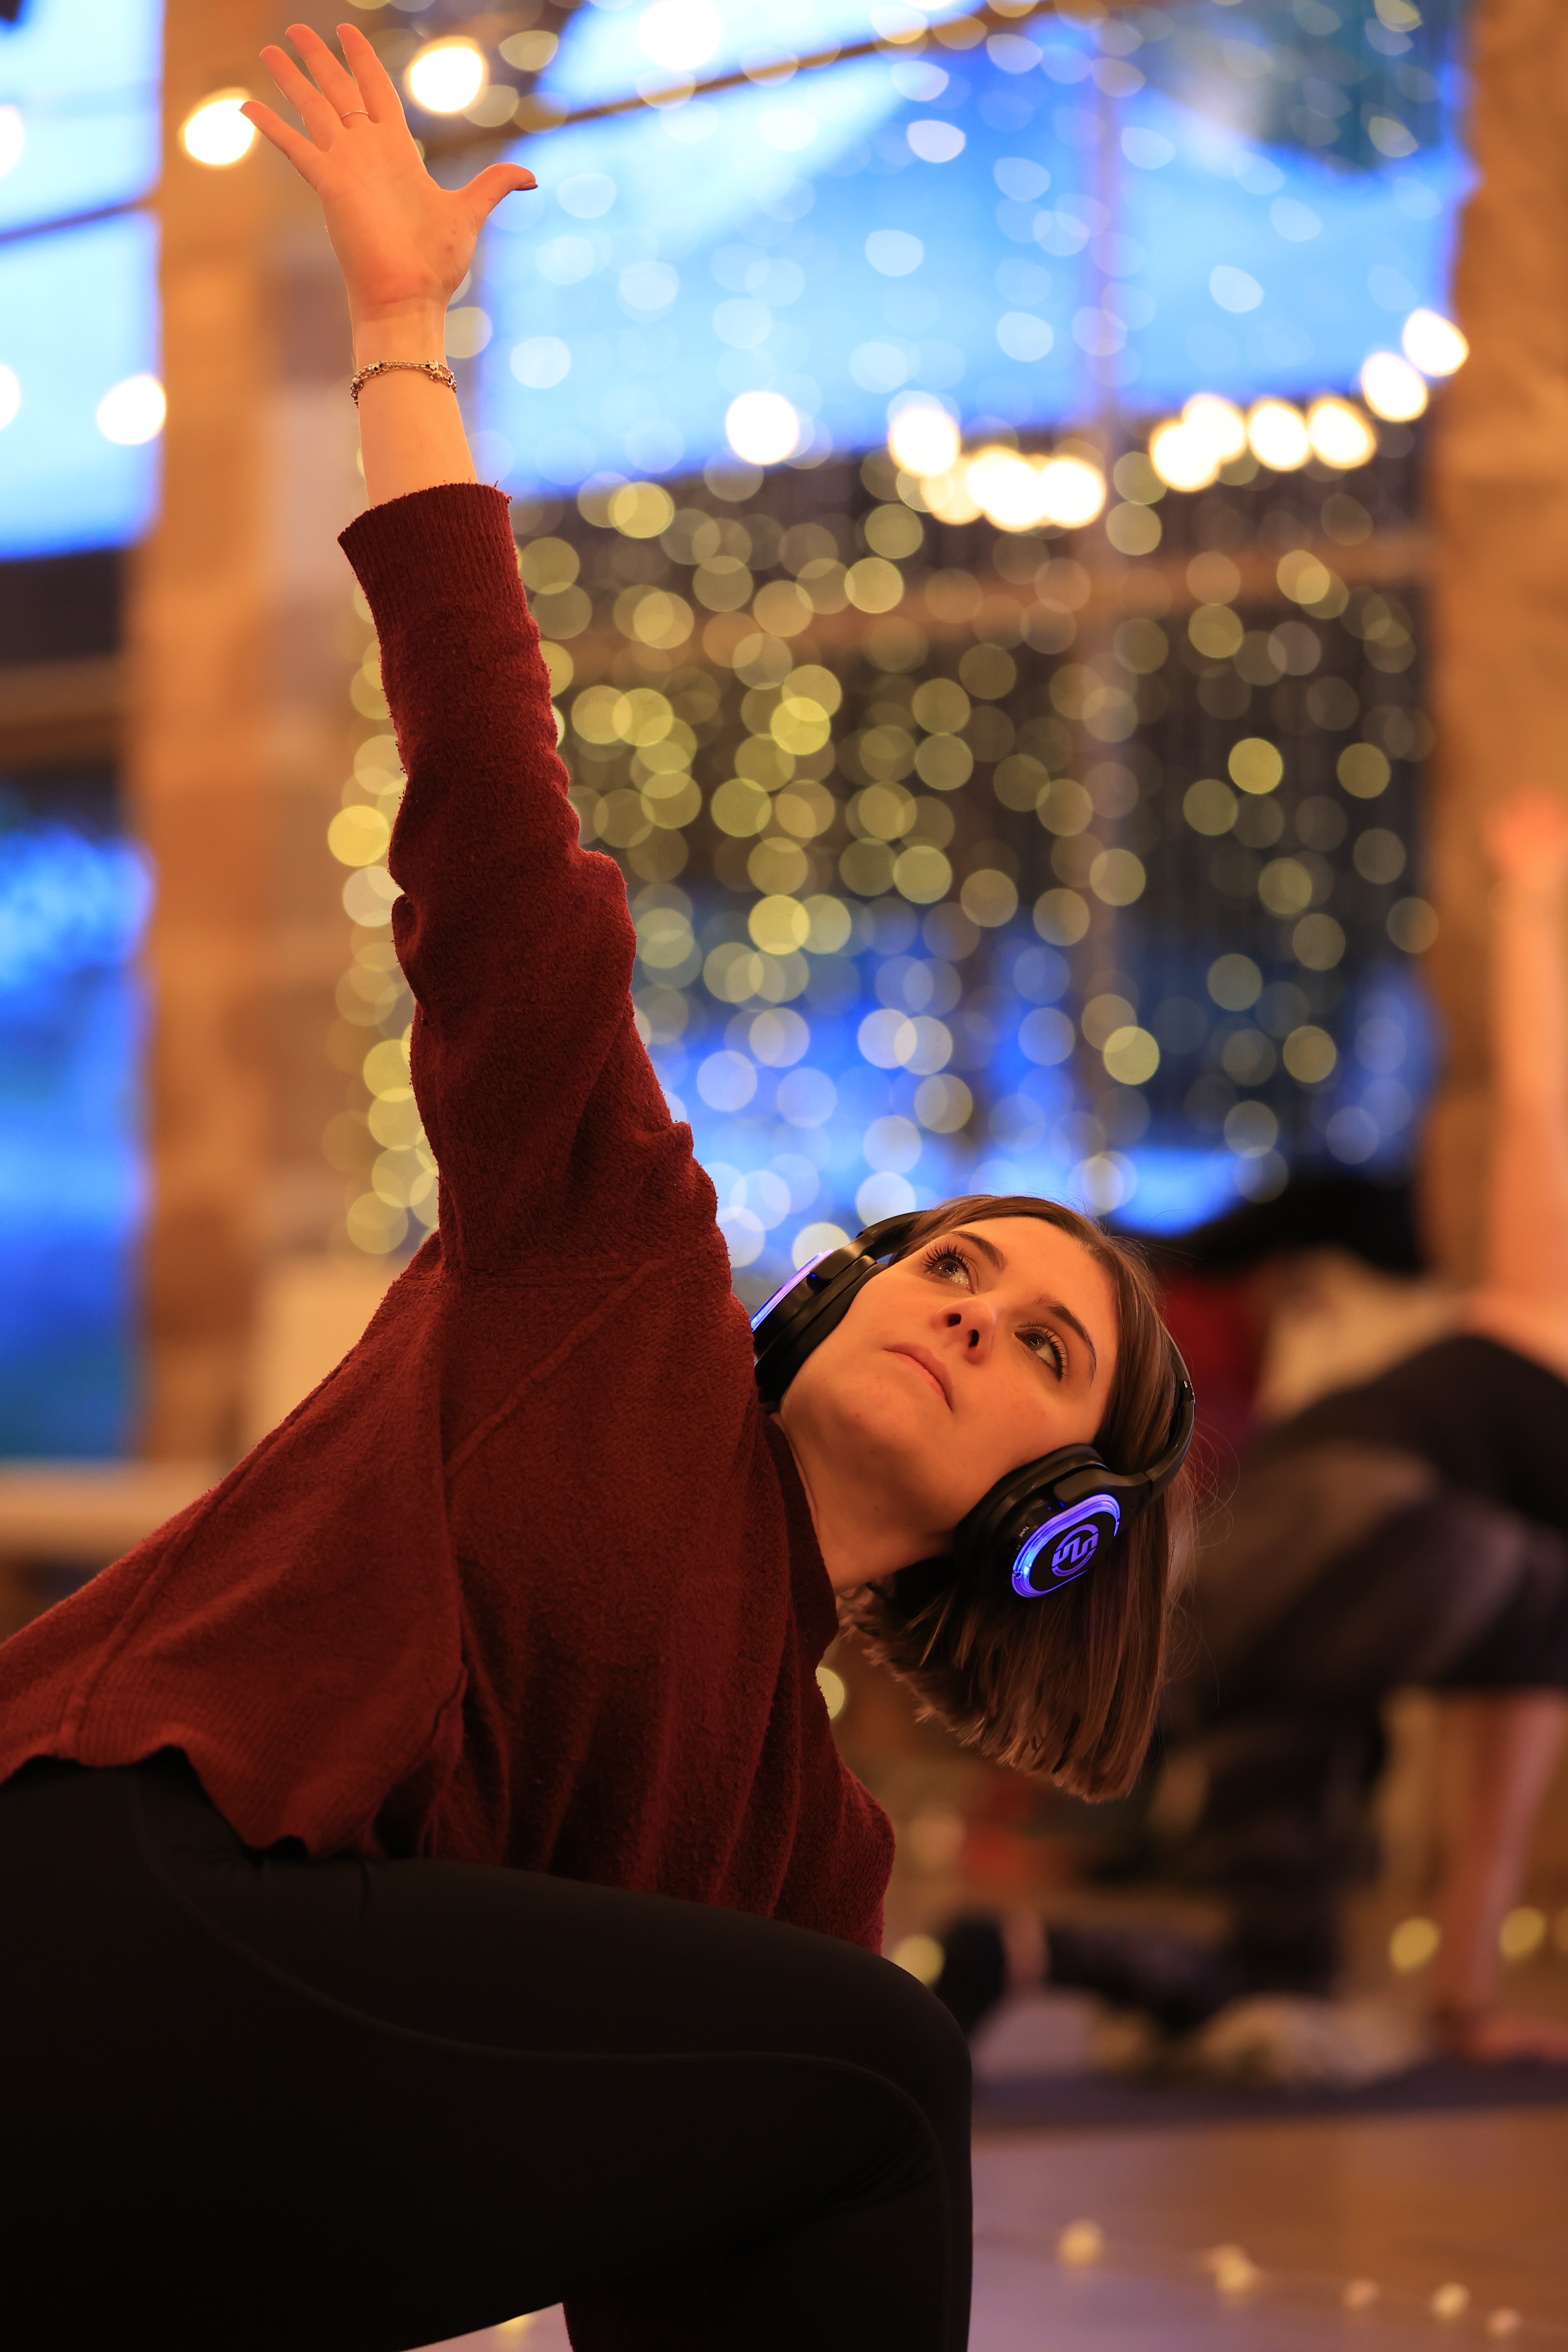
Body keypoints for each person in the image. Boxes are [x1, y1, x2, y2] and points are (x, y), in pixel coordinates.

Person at [0, 27, 1194, 2351]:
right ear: (834, 1294)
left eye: (1042, 1343)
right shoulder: (616, 1287)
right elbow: (496, 834)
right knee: (882, 2067)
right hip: (108, 1914)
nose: (965, 1303)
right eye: (950, 1263)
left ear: (1062, 1519)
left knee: (823, 2095)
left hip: (216, 2138)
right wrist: (400, 336)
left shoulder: (808, 1850)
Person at [937, 791, 1568, 2067]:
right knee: (1547, 1622)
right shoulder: (1549, 1304)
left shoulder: (1527, 1319)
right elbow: (1538, 1102)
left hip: (1263, 1543)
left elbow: (1537, 1105)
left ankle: (1027, 1951)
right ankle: (1451, 1998)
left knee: (1275, 1967)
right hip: (1358, 1519)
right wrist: (1532, 896)